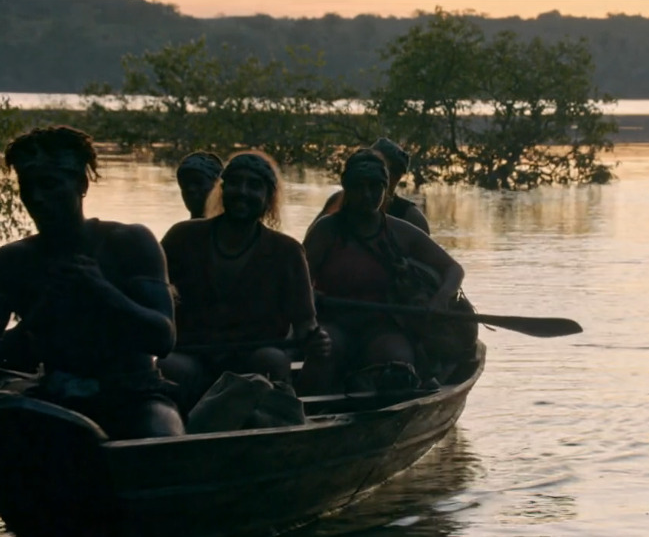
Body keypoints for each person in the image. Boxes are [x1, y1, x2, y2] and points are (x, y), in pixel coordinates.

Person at [0, 125, 184, 439]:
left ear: (81, 184)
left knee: (161, 440)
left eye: (50, 184)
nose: (38, 198)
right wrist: (41, 314)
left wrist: (103, 292)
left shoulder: (129, 241)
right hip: (54, 396)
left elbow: (163, 339)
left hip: (137, 394)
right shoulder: (13, 260)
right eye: (28, 187)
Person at [158, 150, 330, 411]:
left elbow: (305, 323)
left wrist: (316, 341)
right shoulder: (182, 237)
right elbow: (155, 299)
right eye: (235, 183)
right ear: (222, 190)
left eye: (254, 186)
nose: (243, 191)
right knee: (168, 366)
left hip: (253, 357)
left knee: (272, 361)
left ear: (268, 197)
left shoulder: (287, 251)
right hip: (193, 353)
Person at [298, 148, 463, 394]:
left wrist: (441, 298)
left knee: (397, 365)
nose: (367, 195)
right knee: (326, 350)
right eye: (358, 187)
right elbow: (298, 282)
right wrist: (308, 302)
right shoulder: (326, 231)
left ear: (386, 188)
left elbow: (453, 269)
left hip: (383, 325)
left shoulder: (401, 231)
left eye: (375, 187)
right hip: (333, 323)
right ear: (346, 186)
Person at [305, 138, 430, 236]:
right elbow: (309, 243)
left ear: (394, 178)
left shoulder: (410, 217)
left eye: (377, 166)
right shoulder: (338, 200)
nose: (367, 167)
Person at [175, 151, 223, 219]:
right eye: (185, 184)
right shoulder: (181, 229)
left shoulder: (229, 227)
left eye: (198, 183)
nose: (190, 189)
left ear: (217, 186)